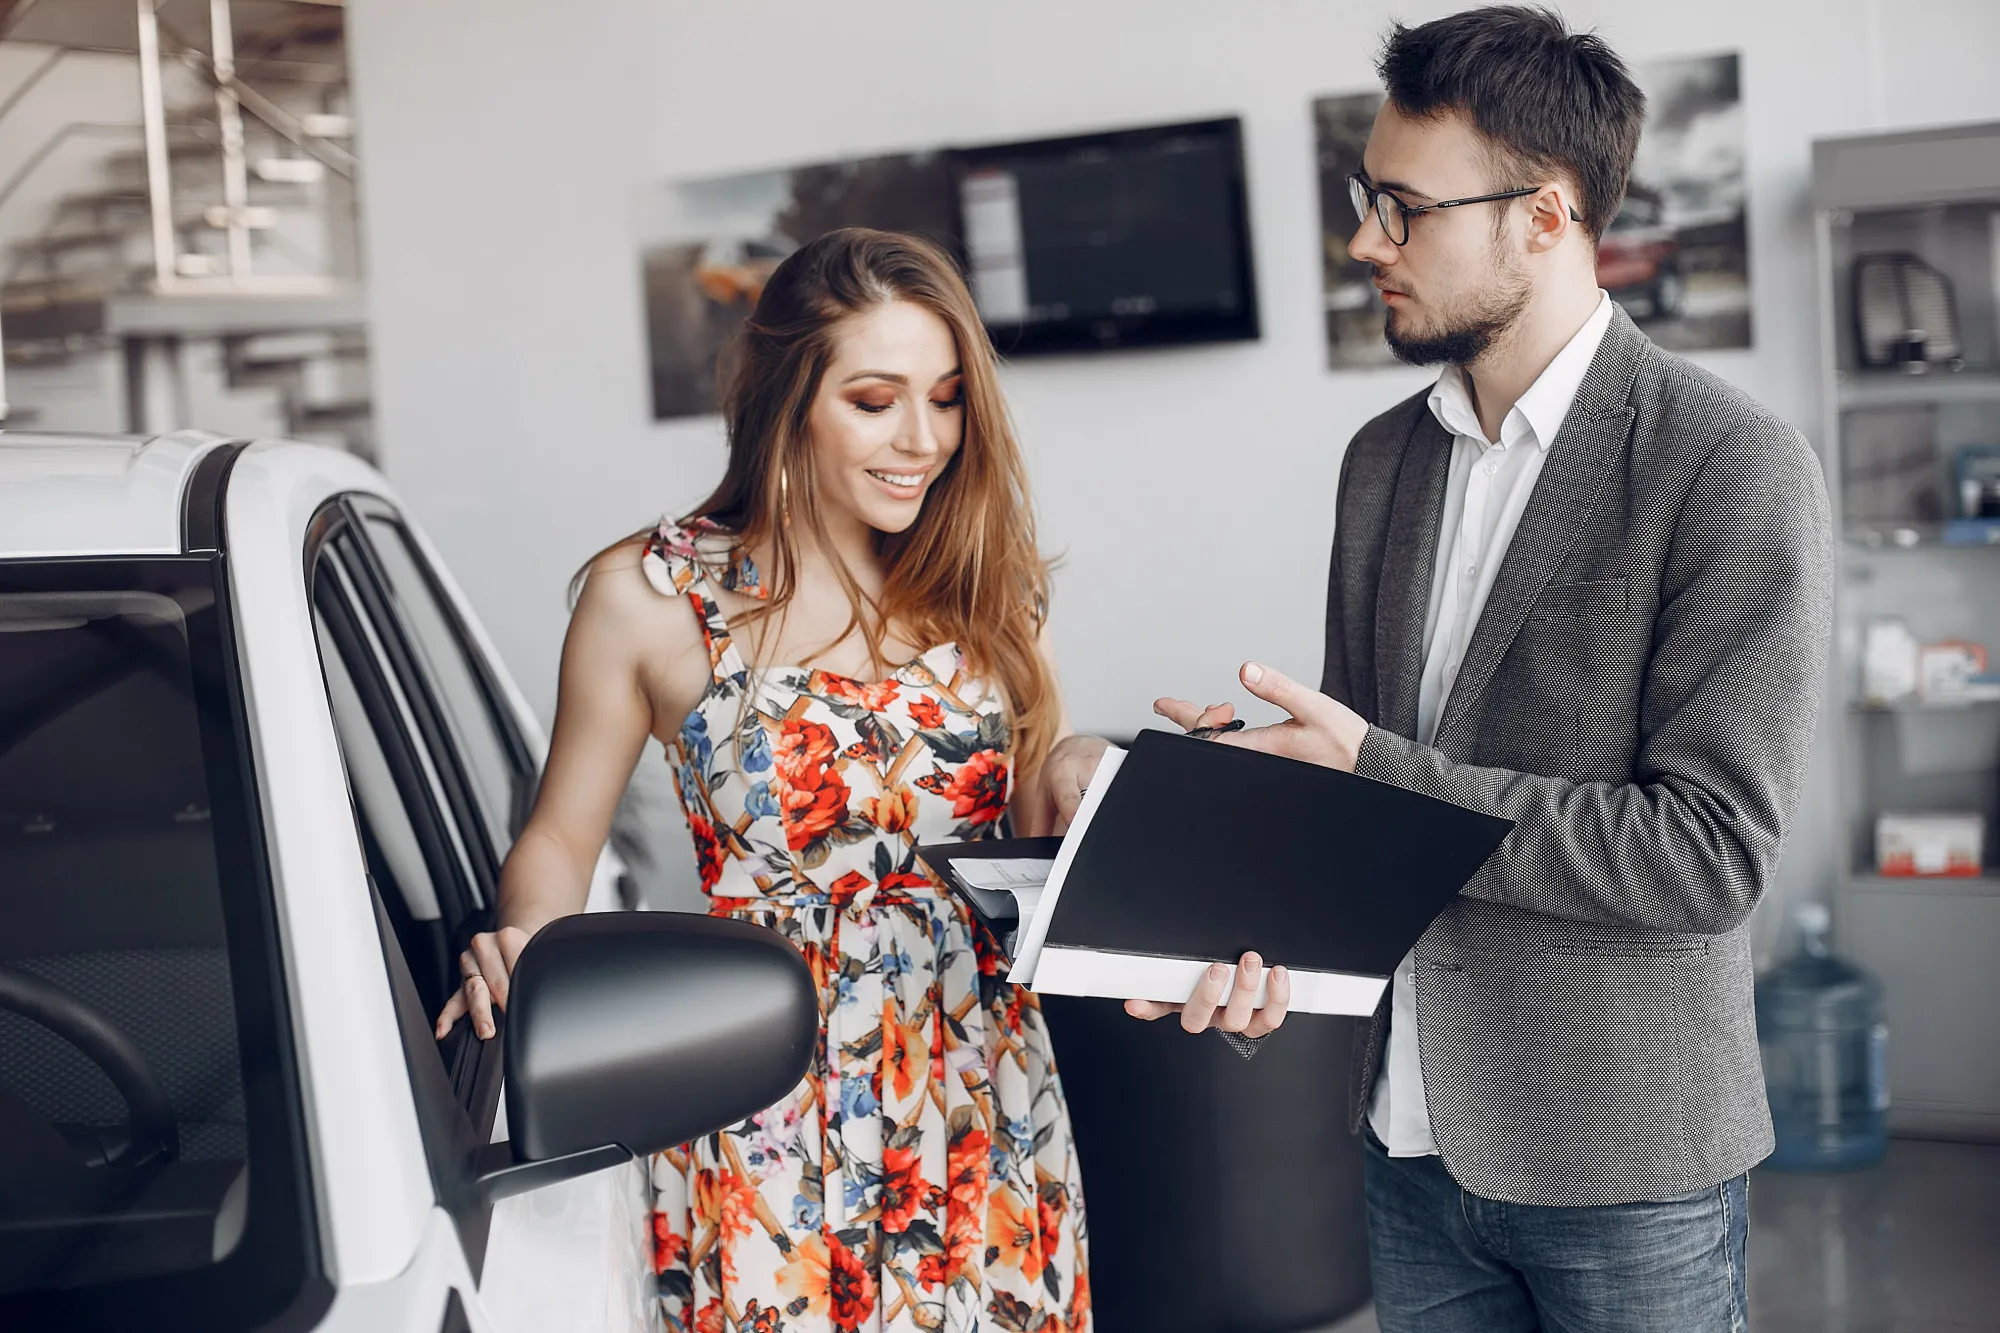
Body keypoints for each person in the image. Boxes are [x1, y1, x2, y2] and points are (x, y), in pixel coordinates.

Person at [1140, 8, 1833, 1330]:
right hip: (1407, 1141)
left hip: (1625, 1163)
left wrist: (1374, 771)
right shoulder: (1380, 463)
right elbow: (1363, 809)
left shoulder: (1726, 464)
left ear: (1546, 215)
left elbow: (1707, 855)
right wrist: (1251, 804)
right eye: (1365, 202)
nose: (1363, 245)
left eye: (1403, 210)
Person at [435, 228, 1103, 1333]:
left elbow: (1030, 826)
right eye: (876, 399)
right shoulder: (649, 595)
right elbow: (558, 839)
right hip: (754, 1083)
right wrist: (530, 951)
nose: (922, 439)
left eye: (944, 399)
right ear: (788, 396)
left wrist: (1083, 769)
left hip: (980, 1085)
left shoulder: (983, 583)